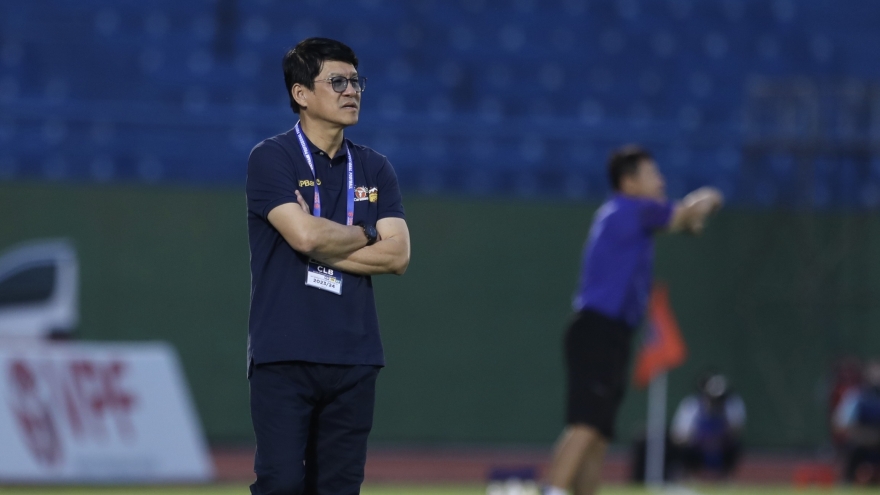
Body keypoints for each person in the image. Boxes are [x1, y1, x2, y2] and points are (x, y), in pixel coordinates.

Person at [245, 37, 410, 495]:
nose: (351, 90)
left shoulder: (375, 168)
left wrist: (323, 238)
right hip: (285, 354)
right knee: (280, 484)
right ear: (300, 93)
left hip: (354, 356)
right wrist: (368, 232)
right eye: (337, 82)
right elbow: (304, 236)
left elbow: (398, 256)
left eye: (356, 81)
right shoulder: (272, 157)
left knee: (339, 489)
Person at [543, 145, 724, 495]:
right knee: (585, 425)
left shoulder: (626, 214)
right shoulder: (633, 210)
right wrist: (712, 197)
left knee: (598, 433)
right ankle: (553, 490)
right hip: (599, 328)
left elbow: (681, 223)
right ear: (628, 182)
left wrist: (688, 221)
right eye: (652, 174)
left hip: (610, 332)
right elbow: (688, 214)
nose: (661, 181)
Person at [669, 373, 745, 479]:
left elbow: (736, 431)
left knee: (736, 447)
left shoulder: (731, 406)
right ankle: (687, 477)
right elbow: (679, 435)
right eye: (712, 398)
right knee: (681, 451)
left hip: (721, 448)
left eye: (719, 398)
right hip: (697, 449)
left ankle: (726, 477)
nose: (715, 402)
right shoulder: (692, 406)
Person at [834, 360, 880, 484]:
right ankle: (847, 481)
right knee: (852, 450)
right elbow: (840, 425)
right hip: (861, 441)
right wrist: (865, 436)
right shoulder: (856, 396)